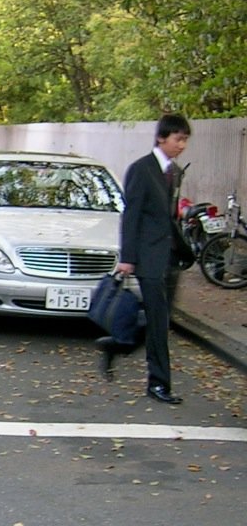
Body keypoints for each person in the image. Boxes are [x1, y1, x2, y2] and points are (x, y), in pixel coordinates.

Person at [99, 114, 192, 403]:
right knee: (159, 321)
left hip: (169, 257)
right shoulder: (141, 169)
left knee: (158, 320)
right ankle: (159, 384)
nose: (182, 145)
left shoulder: (174, 172)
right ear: (161, 138)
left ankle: (117, 345)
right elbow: (132, 215)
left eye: (186, 140)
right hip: (147, 258)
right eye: (178, 139)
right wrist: (128, 257)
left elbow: (169, 216)